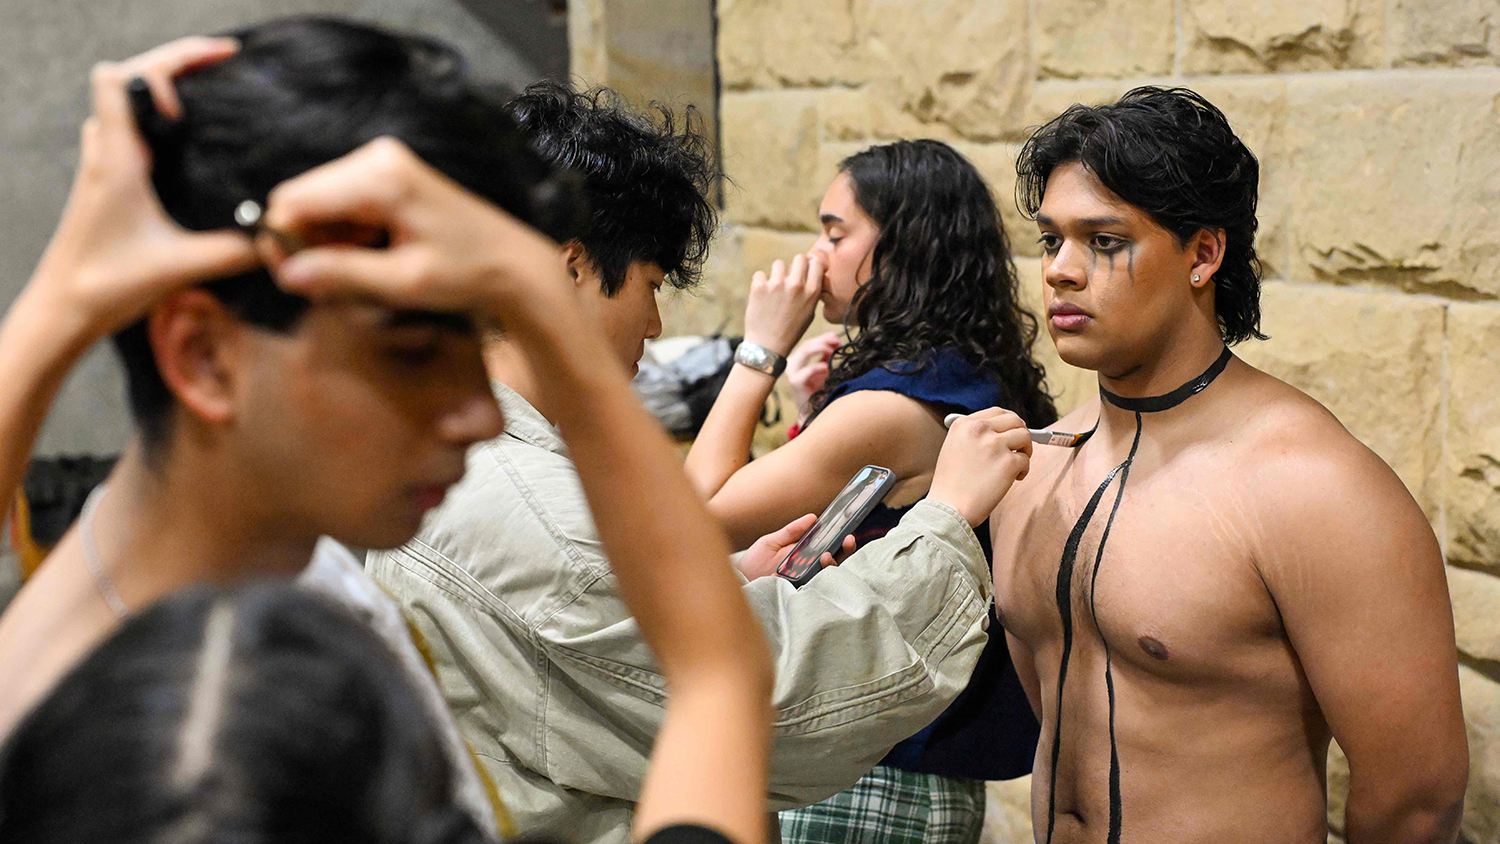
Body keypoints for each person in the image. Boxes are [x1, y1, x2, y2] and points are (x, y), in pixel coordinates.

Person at [368, 86, 1036, 844]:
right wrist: (942, 518)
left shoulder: (433, 454)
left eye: (834, 233)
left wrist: (724, 585)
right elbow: (781, 691)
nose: (655, 325)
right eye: (651, 287)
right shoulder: (536, 508)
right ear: (570, 269)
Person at [991, 86, 1468, 844]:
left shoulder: (1311, 486)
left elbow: (1418, 796)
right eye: (1051, 240)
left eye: (1104, 241)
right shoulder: (1032, 472)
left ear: (1203, 254)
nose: (1061, 271)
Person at [683, 139, 1052, 844]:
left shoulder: (885, 409)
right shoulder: (955, 375)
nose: (817, 257)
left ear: (903, 244)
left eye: (835, 232)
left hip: (871, 778)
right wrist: (810, 416)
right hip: (911, 772)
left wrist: (758, 351)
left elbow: (692, 520)